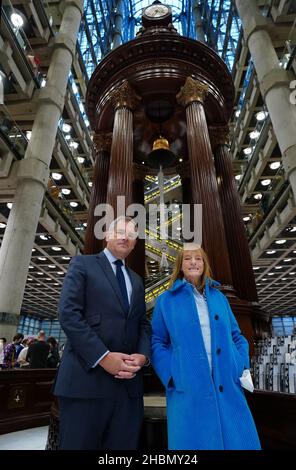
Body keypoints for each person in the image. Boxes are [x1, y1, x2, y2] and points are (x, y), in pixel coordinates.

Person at [54, 216, 151, 450]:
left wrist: (143, 355)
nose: (124, 237)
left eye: (130, 235)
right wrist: (104, 357)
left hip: (128, 390)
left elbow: (142, 325)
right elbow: (68, 314)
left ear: (135, 243)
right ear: (107, 235)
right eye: (119, 231)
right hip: (86, 383)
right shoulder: (83, 264)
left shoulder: (137, 281)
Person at [151, 244, 261, 450]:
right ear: (180, 266)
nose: (193, 262)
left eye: (198, 258)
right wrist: (171, 374)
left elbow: (237, 337)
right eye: (187, 258)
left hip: (227, 385)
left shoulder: (219, 298)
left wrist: (239, 364)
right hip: (188, 388)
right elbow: (157, 341)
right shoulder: (166, 301)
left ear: (204, 264)